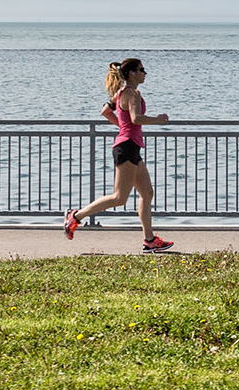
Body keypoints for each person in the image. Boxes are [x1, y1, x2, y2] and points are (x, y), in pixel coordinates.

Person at [64, 58, 174, 252]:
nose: (144, 73)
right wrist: (157, 120)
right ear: (132, 73)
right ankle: (76, 217)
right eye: (141, 69)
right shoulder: (132, 94)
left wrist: (123, 128)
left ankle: (149, 240)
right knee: (119, 198)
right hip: (127, 148)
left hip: (130, 147)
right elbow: (135, 118)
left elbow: (105, 111)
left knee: (147, 193)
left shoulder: (120, 93)